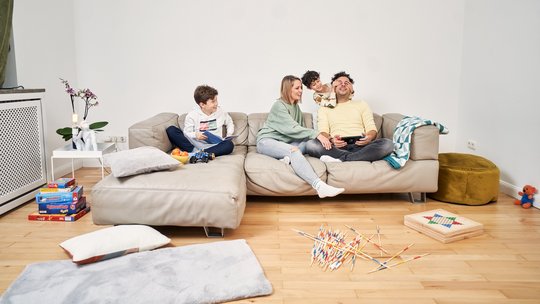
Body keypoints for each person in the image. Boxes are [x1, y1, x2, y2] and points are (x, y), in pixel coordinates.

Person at [256, 75, 344, 198]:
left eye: (301, 88)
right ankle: (319, 186)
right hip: (267, 141)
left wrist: (328, 138)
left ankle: (290, 157)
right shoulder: (279, 105)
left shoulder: (296, 107)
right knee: (295, 152)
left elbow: (302, 134)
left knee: (306, 144)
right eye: (297, 88)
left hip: (286, 143)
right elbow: (294, 129)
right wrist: (317, 134)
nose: (301, 91)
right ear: (288, 89)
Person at [305, 71, 394, 162]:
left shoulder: (361, 104)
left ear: (351, 88)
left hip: (361, 146)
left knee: (388, 144)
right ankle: (356, 157)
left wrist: (369, 137)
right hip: (336, 148)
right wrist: (332, 140)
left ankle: (342, 159)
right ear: (333, 87)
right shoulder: (324, 108)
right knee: (311, 145)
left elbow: (372, 128)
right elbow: (323, 132)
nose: (343, 84)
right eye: (339, 83)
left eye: (346, 83)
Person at [166, 85, 234, 157]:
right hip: (194, 145)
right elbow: (187, 132)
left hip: (215, 146)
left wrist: (229, 134)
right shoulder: (192, 115)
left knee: (229, 145)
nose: (216, 103)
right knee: (171, 130)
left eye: (216, 100)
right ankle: (199, 153)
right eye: (213, 101)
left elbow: (229, 122)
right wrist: (195, 135)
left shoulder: (221, 112)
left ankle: (197, 154)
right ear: (202, 104)